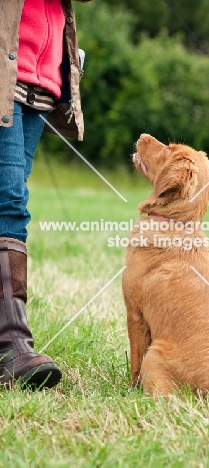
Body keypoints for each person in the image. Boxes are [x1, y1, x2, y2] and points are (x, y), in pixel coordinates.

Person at [0, 0, 91, 389]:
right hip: (7, 68)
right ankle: (11, 344)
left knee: (11, 199)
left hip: (40, 82)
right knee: (9, 203)